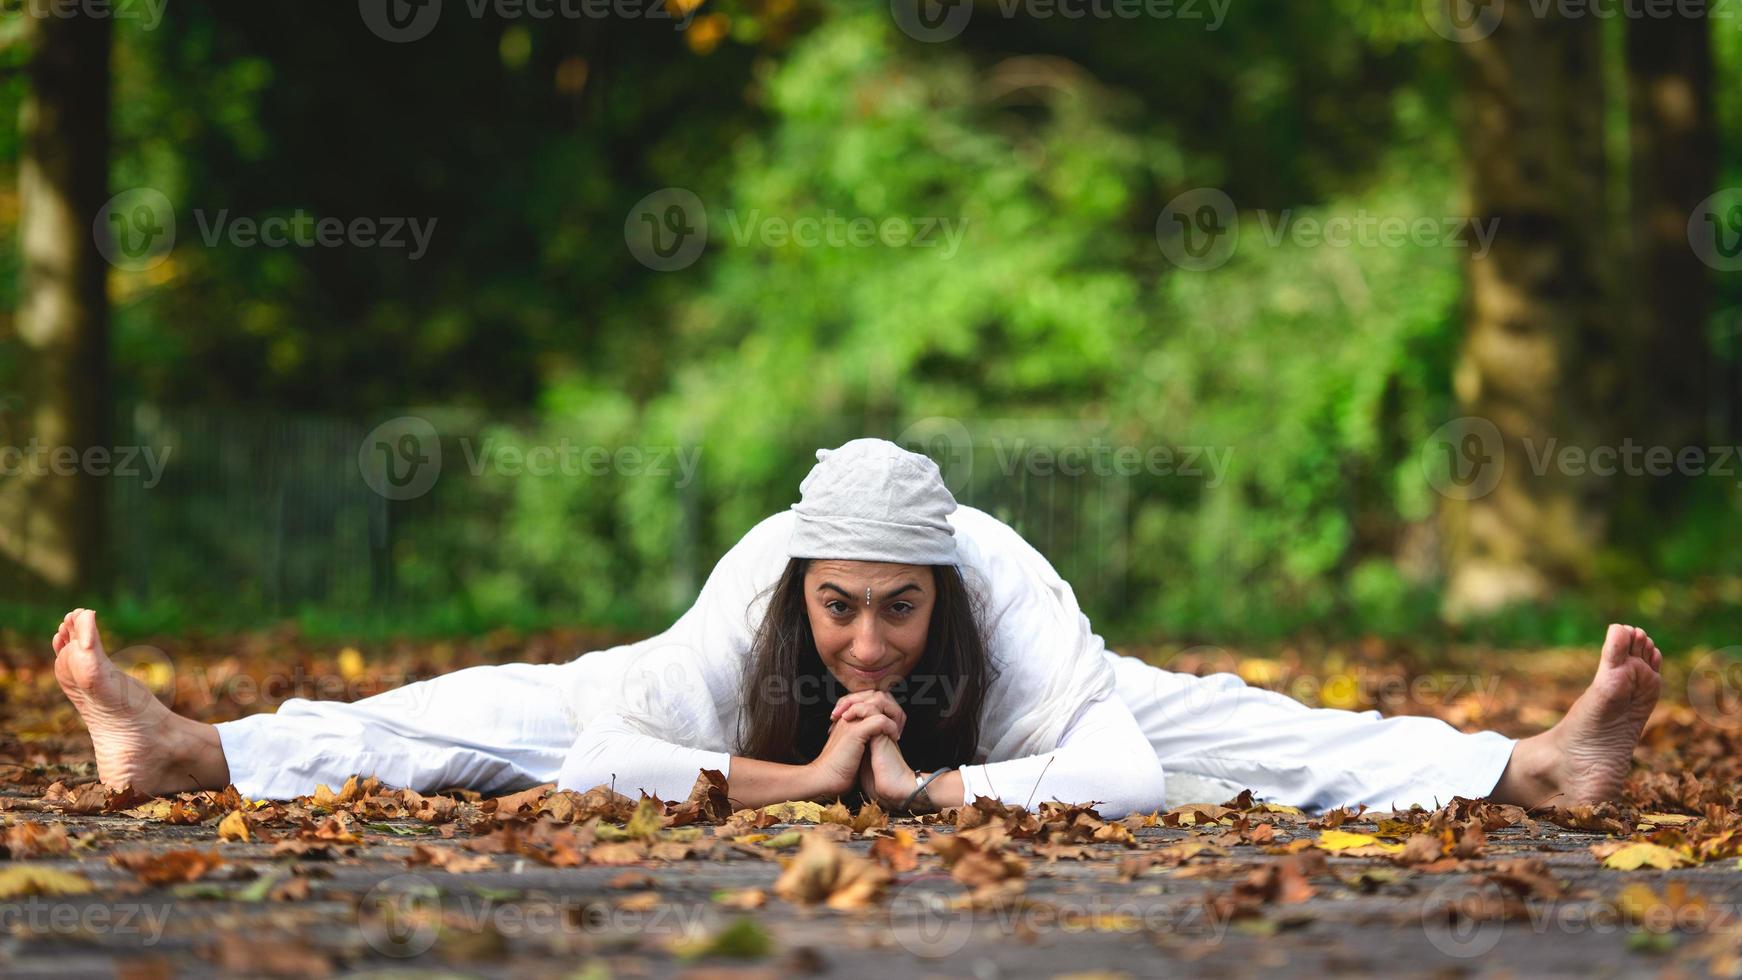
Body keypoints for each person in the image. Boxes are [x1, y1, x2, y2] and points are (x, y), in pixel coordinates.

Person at [50, 439, 1663, 818]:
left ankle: (1532, 767)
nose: (872, 640)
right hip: (776, 754)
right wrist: (798, 787)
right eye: (843, 611)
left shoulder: (1010, 596)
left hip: (1018, 730)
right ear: (800, 589)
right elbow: (611, 749)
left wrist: (931, 796)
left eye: (899, 611)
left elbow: (1120, 781)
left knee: (1228, 724)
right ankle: (189, 746)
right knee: (504, 706)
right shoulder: (752, 589)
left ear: (943, 591)